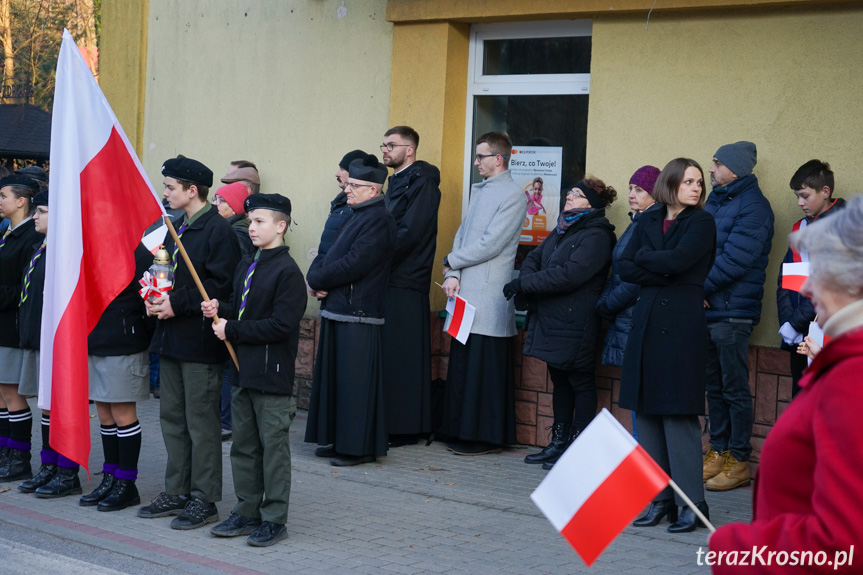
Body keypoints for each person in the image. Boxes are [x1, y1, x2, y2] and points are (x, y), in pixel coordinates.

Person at [708, 194, 863, 574]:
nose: (807, 288)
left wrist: (735, 549)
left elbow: (842, 546)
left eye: (819, 271)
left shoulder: (852, 378)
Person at [139, 156, 241, 530]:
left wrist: (175, 304)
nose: (165, 193)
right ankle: (176, 489)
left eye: (170, 187)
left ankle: (204, 498)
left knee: (201, 424)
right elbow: (162, 272)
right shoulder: (173, 226)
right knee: (172, 420)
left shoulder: (219, 231)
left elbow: (219, 286)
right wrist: (153, 296)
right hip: (170, 340)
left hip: (199, 344)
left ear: (191, 190)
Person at [619, 158, 716, 533]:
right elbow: (624, 266)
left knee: (677, 414)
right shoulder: (648, 218)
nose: (696, 188)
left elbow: (678, 261)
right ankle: (660, 501)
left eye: (699, 182)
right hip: (646, 322)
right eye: (688, 181)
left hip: (681, 324)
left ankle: (692, 503)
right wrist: (658, 266)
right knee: (645, 411)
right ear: (670, 184)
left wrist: (650, 262)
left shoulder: (702, 222)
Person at [203, 193, 306, 547]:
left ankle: (274, 518)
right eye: (250, 221)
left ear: (281, 226)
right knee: (243, 447)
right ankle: (246, 511)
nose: (252, 227)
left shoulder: (288, 272)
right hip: (242, 370)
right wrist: (221, 308)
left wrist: (231, 329)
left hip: (271, 376)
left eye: (260, 221)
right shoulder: (249, 263)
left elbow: (279, 325)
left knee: (272, 450)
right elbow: (244, 308)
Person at [506, 178, 617, 469]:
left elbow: (570, 275)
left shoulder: (597, 235)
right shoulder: (563, 227)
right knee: (560, 380)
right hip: (554, 317)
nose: (569, 196)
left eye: (577, 194)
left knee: (579, 380)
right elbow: (535, 257)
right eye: (570, 192)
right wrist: (525, 279)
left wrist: (524, 284)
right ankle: (558, 443)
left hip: (576, 320)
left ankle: (579, 447)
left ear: (591, 204)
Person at [305, 155, 396, 466]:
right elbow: (329, 253)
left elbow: (356, 263)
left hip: (358, 312)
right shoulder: (355, 214)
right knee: (337, 382)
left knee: (354, 386)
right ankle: (338, 440)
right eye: (350, 184)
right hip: (338, 307)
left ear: (373, 190)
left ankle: (357, 448)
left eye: (355, 185)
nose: (348, 189)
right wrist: (313, 278)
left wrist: (318, 278)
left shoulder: (380, 220)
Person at [440, 131, 526, 456]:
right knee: (464, 365)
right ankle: (460, 430)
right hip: (465, 292)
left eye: (481, 156)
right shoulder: (481, 190)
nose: (476, 162)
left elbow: (492, 243)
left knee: (483, 368)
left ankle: (484, 436)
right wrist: (454, 272)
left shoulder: (513, 196)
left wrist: (451, 261)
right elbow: (463, 235)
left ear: (498, 158)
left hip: (488, 295)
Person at [702, 141, 774, 493]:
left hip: (732, 312)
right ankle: (718, 450)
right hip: (712, 309)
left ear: (735, 168)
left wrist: (697, 289)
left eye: (717, 163)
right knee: (714, 385)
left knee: (733, 388)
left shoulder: (754, 208)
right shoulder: (719, 201)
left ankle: (739, 459)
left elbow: (735, 261)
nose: (711, 169)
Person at [75, 244, 154, 510]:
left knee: (122, 415)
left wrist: (137, 335)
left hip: (123, 344)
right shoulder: (94, 249)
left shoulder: (138, 253)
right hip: (95, 341)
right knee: (105, 414)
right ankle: (110, 475)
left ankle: (127, 483)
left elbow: (149, 300)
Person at [380, 126, 441, 447]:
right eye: (384, 145)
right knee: (393, 356)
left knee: (403, 357)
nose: (385, 150)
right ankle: (394, 424)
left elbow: (410, 232)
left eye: (392, 145)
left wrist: (375, 257)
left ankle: (403, 428)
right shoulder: (396, 181)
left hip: (407, 279)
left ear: (410, 149)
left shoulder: (423, 182)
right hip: (391, 278)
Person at [776, 160, 845, 397]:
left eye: (804, 196)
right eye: (797, 196)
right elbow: (785, 279)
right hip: (799, 333)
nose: (799, 203)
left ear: (825, 192)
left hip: (828, 332)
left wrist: (794, 322)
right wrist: (787, 322)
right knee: (800, 398)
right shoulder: (800, 228)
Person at [0, 175, 43, 482]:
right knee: (1, 393)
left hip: (13, 325)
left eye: (3, 196)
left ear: (21, 201)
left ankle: (20, 458)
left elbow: (26, 288)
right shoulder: (8, 232)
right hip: (2, 323)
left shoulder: (30, 236)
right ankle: (5, 451)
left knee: (12, 393)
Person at [597, 166, 661, 369]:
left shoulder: (653, 223)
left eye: (639, 189)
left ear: (656, 193)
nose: (632, 195)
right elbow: (618, 269)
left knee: (640, 384)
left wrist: (608, 304)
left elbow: (635, 279)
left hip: (634, 315)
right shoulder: (637, 221)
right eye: (630, 188)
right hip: (624, 314)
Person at [211, 181, 253, 444]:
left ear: (234, 206)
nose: (215, 203)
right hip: (228, 306)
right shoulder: (233, 229)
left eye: (221, 200)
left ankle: (227, 422)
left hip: (231, 307)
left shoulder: (236, 233)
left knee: (228, 368)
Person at [213, 181, 254, 258]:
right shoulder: (224, 227)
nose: (214, 203)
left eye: (221, 200)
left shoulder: (238, 236)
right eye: (215, 199)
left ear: (234, 209)